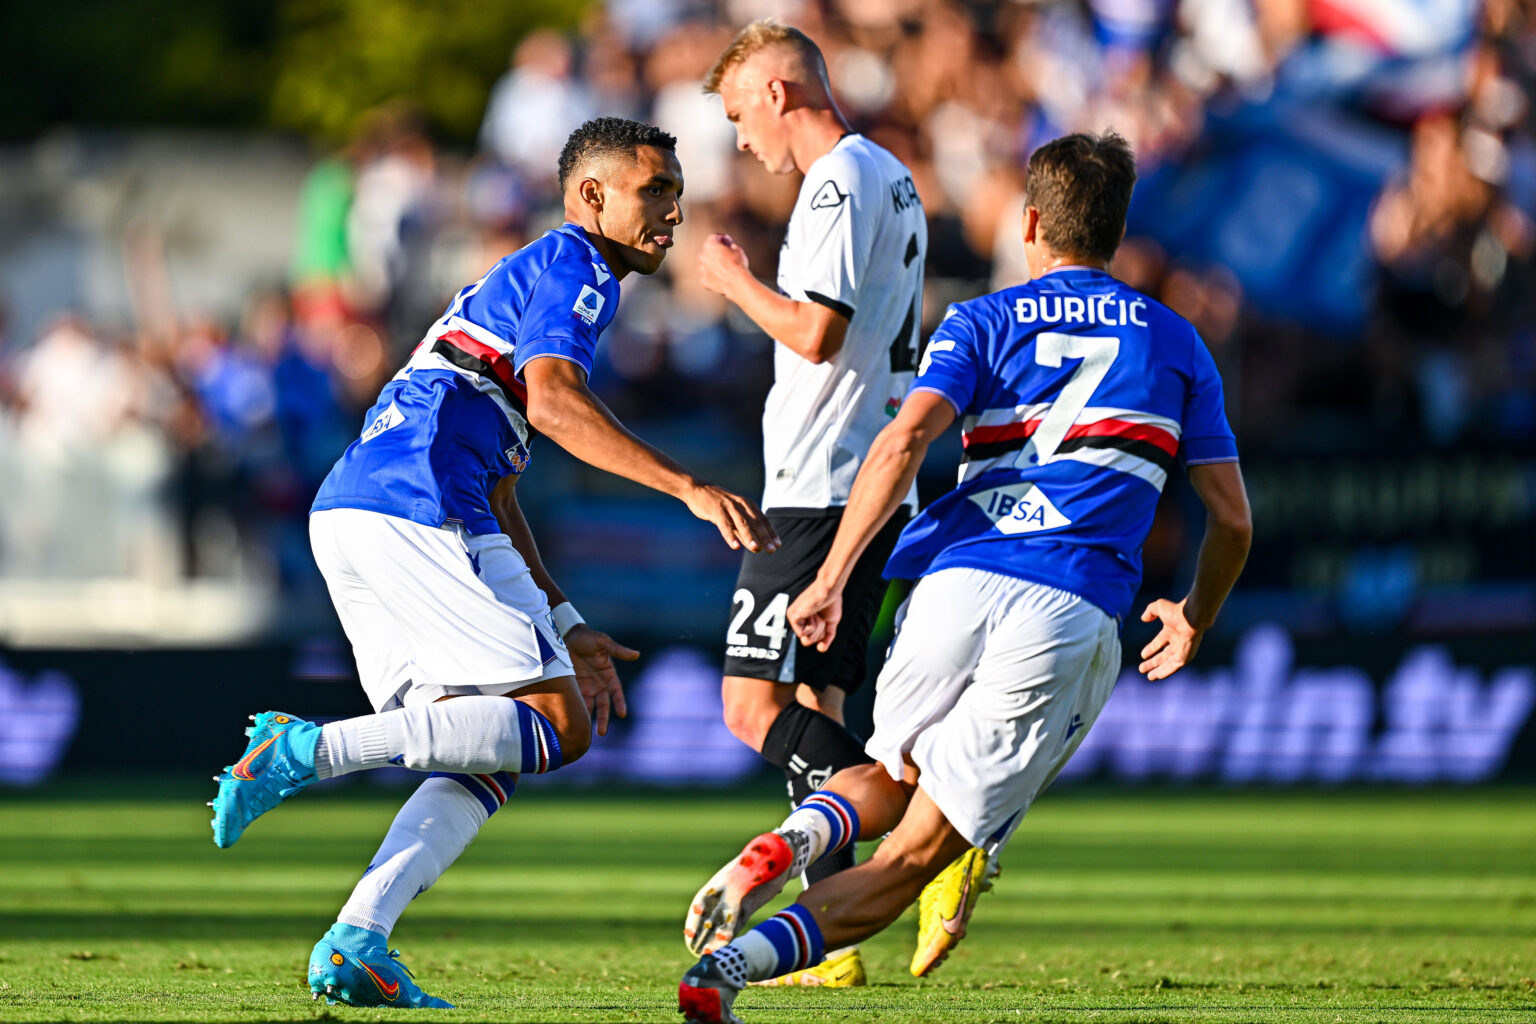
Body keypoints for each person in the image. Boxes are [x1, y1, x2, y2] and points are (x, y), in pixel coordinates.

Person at [677, 130, 1252, 1024]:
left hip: (953, 582)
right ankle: (728, 971)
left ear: (1030, 223)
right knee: (913, 857)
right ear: (1116, 228)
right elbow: (1233, 518)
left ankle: (792, 837)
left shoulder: (982, 320)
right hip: (1069, 601)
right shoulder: (1177, 342)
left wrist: (831, 576)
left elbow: (903, 441)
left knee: (888, 772)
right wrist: (1194, 615)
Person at [208, 117, 778, 1010]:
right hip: (415, 504)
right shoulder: (576, 266)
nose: (672, 209)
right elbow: (553, 402)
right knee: (559, 726)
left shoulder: (521, 281)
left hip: (377, 507)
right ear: (591, 196)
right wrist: (687, 487)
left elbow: (506, 492)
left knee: (488, 752)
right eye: (652, 191)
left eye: (676, 190)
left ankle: (358, 936)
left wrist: (564, 621)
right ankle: (308, 749)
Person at [687, 20, 929, 988]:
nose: (743, 138)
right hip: (866, 478)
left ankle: (929, 834)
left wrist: (733, 280)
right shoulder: (891, 173)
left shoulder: (836, 179)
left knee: (751, 706)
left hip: (823, 482)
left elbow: (817, 332)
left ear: (782, 93)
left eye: (743, 112)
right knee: (815, 701)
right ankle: (836, 940)